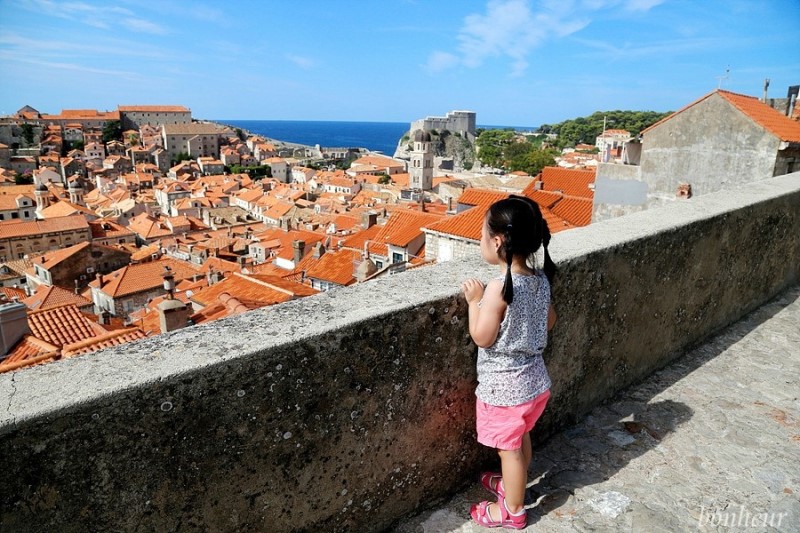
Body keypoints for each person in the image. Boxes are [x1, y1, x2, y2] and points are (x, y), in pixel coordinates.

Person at [461, 195, 557, 529]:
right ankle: (512, 484)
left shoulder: (497, 289)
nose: (481, 240)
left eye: (483, 234)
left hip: (506, 391)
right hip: (535, 382)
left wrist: (475, 302)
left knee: (509, 451)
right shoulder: (539, 279)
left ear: (498, 241)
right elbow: (549, 322)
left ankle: (512, 510)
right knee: (521, 437)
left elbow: (482, 337)